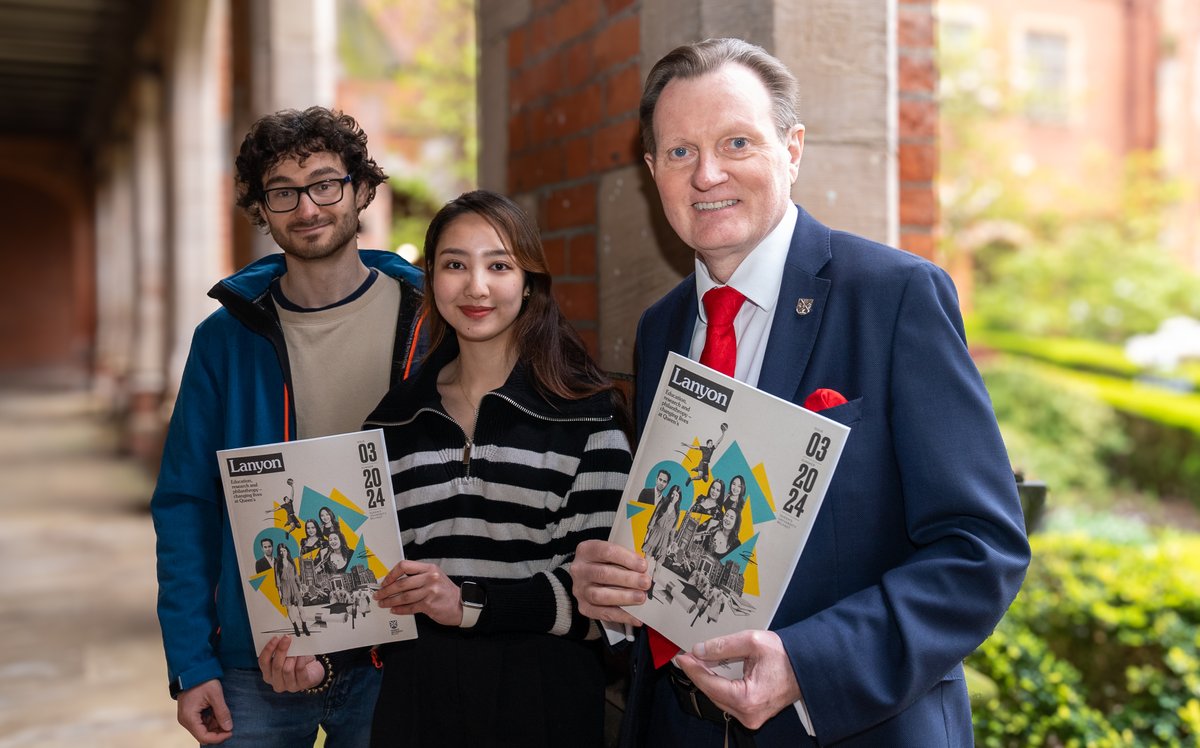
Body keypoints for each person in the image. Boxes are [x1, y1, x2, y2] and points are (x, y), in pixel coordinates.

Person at [570, 38, 1030, 746]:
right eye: (680, 152)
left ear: (792, 148)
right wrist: (619, 593)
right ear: (652, 171)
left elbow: (980, 549)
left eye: (737, 142)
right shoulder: (660, 328)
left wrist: (807, 666)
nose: (708, 173)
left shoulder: (893, 297)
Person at [150, 105, 425, 746]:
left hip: (401, 649)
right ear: (261, 210)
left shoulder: (429, 319)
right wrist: (192, 662)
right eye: (283, 192)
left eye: (326, 183)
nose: (307, 208)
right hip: (259, 658)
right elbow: (185, 502)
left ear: (361, 191)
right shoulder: (223, 340)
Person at [320, 189, 628, 747]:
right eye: (455, 265)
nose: (476, 286)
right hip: (417, 704)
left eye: (500, 265)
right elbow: (372, 588)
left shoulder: (589, 416)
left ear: (529, 280)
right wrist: (317, 653)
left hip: (545, 704)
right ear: (431, 282)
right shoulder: (390, 426)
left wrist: (467, 603)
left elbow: (600, 606)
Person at [274, 543, 309, 638]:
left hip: (294, 585)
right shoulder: (277, 563)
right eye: (280, 551)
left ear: (287, 551)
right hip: (284, 587)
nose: (282, 553)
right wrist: (279, 591)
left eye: (284, 550)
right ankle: (295, 627)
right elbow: (277, 577)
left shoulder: (291, 560)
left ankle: (304, 626)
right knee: (289, 608)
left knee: (301, 608)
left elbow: (296, 574)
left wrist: (300, 587)